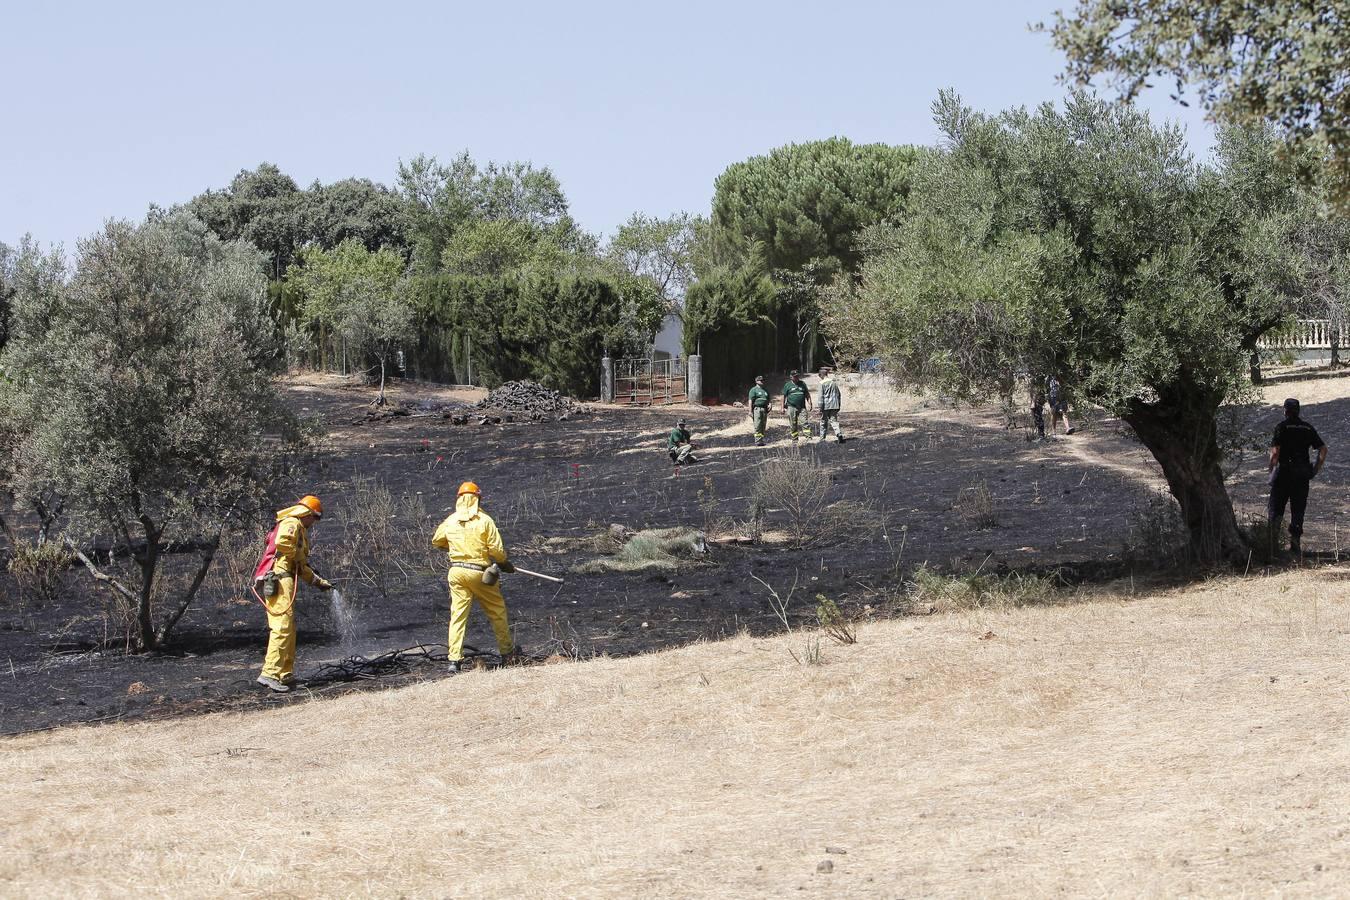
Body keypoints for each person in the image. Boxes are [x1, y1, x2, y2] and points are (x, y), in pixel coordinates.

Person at [432, 481, 518, 673]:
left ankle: (454, 661)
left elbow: (436, 540)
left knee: (457, 617)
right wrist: (503, 563)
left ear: (459, 499)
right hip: (480, 573)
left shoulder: (451, 520)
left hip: (456, 573)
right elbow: (497, 551)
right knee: (497, 612)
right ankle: (507, 654)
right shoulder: (485, 520)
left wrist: (453, 546)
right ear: (477, 498)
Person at [256, 495, 333, 693]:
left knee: (289, 629)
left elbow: (300, 565)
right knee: (282, 627)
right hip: (280, 580)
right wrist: (299, 557)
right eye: (314, 519)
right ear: (307, 513)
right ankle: (269, 674)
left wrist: (319, 582)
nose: (313, 524)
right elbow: (283, 544)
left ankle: (285, 675)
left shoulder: (299, 528)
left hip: (286, 578)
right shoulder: (292, 522)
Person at [1268, 398, 1328, 557]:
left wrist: (1271, 470)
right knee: (1298, 509)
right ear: (1298, 411)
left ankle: (1272, 545)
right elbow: (1323, 449)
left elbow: (1275, 452)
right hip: (1302, 475)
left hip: (1284, 473)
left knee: (1276, 508)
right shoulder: (1307, 428)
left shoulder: (1281, 427)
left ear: (1285, 411)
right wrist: (1315, 468)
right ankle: (1295, 545)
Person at [781, 370, 812, 443]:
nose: (797, 377)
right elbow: (783, 397)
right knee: (793, 424)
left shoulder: (802, 384)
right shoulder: (787, 385)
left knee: (805, 422)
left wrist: (810, 404)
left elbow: (807, 394)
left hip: (802, 407)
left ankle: (808, 438)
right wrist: (782, 408)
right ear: (791, 377)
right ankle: (794, 440)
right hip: (791, 407)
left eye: (797, 376)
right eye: (795, 376)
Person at [818, 367, 845, 443]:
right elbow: (839, 394)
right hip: (834, 405)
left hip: (825, 406)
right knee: (834, 421)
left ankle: (822, 439)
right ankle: (839, 434)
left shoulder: (821, 383)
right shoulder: (833, 382)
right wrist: (838, 404)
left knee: (823, 421)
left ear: (821, 375)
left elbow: (820, 396)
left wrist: (820, 408)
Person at [748, 375, 771, 446]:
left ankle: (761, 440)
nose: (762, 381)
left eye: (763, 380)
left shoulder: (765, 390)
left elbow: (768, 399)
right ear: (756, 381)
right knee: (757, 424)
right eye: (760, 380)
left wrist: (770, 404)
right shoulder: (753, 390)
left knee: (763, 425)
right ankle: (757, 441)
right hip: (757, 409)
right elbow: (750, 401)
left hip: (764, 409)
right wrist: (750, 411)